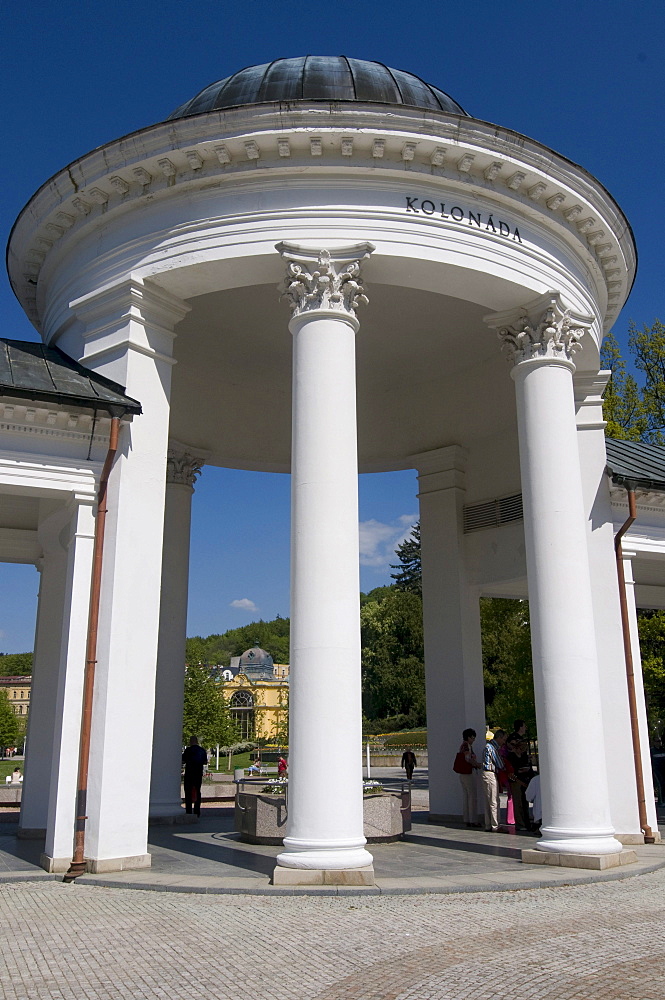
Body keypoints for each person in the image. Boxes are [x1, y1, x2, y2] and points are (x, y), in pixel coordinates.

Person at [481, 729, 507, 832]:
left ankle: (489, 824)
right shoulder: (492, 748)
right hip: (490, 774)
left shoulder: (489, 746)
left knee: (488, 800)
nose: (504, 742)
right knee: (494, 800)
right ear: (499, 738)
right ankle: (495, 825)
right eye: (503, 739)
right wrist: (505, 768)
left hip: (486, 774)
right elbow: (499, 763)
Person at [457, 728, 482, 827]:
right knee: (472, 797)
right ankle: (473, 820)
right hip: (469, 773)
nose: (474, 739)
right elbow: (468, 759)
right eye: (472, 737)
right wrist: (476, 764)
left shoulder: (462, 746)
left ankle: (467, 818)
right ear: (468, 737)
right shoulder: (467, 746)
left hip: (463, 774)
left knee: (466, 797)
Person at [182, 736, 207, 816]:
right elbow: (205, 761)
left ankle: (188, 810)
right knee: (197, 791)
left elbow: (183, 760)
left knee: (188, 792)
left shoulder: (188, 750)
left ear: (190, 741)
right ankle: (197, 811)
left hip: (189, 773)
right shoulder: (202, 750)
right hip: (198, 773)